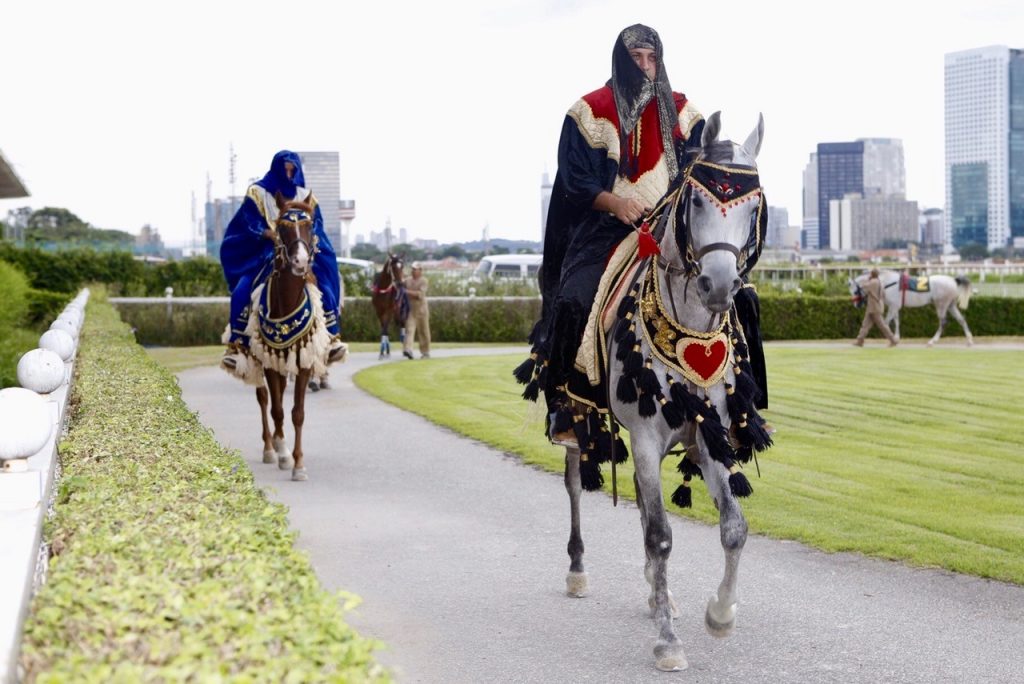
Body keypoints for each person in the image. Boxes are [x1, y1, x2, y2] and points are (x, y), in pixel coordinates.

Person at [520, 24, 705, 444]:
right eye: (636, 57)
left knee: (738, 296)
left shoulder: (684, 111)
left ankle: (742, 414)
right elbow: (574, 179)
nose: (644, 66)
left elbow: (702, 168)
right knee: (572, 299)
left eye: (651, 58)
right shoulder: (590, 109)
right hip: (607, 230)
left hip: (673, 231)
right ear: (622, 60)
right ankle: (568, 408)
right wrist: (617, 204)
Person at [219, 150, 346, 371]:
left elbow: (317, 225)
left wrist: (307, 240)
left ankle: (332, 339)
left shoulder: (306, 195)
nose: (289, 173)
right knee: (242, 289)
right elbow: (247, 221)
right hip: (266, 253)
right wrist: (266, 233)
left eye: (292, 169)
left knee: (325, 282)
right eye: (285, 169)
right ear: (277, 168)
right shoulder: (258, 192)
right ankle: (238, 347)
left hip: (300, 250)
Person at [854, 268, 899, 347]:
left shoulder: (872, 282)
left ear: (872, 274)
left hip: (873, 307)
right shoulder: (880, 283)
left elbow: (863, 287)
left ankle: (893, 340)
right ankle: (860, 340)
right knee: (865, 324)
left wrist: (866, 280)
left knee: (882, 325)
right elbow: (884, 295)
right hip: (875, 306)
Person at [402, 262, 431, 359]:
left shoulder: (424, 281)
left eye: (415, 269)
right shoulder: (408, 280)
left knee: (423, 331)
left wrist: (406, 292)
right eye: (412, 269)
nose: (413, 271)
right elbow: (400, 283)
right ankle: (408, 349)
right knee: (409, 330)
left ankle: (425, 352)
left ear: (420, 271)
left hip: (422, 310)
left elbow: (420, 295)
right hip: (411, 310)